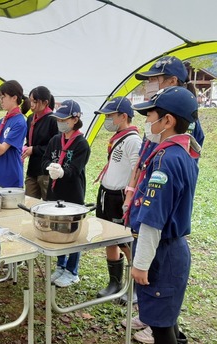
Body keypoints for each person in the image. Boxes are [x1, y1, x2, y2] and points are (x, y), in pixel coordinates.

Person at [123, 55, 206, 342]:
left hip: (162, 252)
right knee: (163, 319)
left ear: (167, 120)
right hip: (168, 250)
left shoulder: (166, 162)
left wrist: (141, 262)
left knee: (162, 329)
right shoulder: (181, 152)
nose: (146, 121)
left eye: (150, 115)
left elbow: (154, 220)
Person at [93, 97, 141, 298]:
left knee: (125, 241)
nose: (107, 120)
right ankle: (114, 282)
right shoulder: (117, 138)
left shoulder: (133, 140)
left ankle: (136, 287)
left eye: (110, 116)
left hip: (120, 197)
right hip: (107, 194)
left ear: (123, 116)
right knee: (109, 239)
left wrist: (128, 198)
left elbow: (136, 171)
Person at [42, 100, 91, 287]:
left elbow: (76, 169)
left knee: (72, 232)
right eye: (58, 119)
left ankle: (72, 270)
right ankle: (61, 266)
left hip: (73, 194)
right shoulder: (55, 140)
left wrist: (63, 171)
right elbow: (45, 159)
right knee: (58, 231)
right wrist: (50, 167)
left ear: (75, 119)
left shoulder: (81, 144)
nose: (60, 122)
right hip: (55, 193)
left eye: (64, 119)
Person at [22, 86, 58, 200]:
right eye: (30, 101)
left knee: (48, 203)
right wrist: (26, 147)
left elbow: (55, 147)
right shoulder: (30, 118)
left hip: (46, 170)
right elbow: (30, 141)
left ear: (45, 102)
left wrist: (34, 149)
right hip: (32, 169)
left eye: (35, 101)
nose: (31, 104)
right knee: (29, 203)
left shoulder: (53, 119)